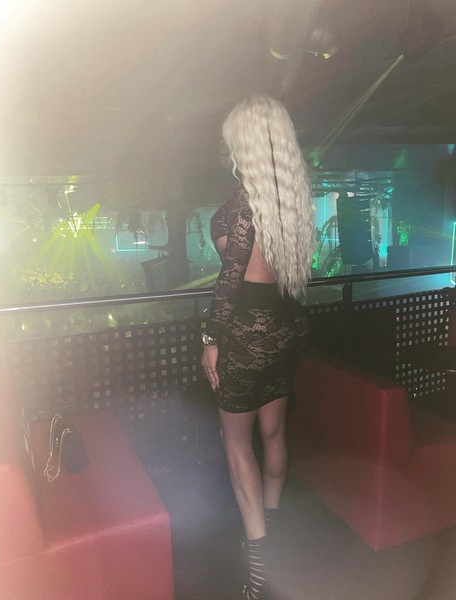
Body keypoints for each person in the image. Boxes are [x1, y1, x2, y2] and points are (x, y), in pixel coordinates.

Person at [201, 95, 314, 599]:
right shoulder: (289, 200)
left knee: (236, 444)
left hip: (248, 332)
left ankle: (260, 574)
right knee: (273, 432)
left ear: (243, 142)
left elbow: (229, 283)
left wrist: (210, 339)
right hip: (288, 328)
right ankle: (275, 532)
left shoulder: (244, 205)